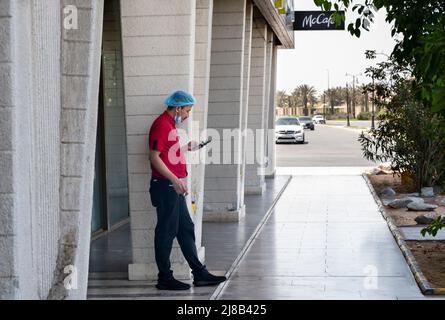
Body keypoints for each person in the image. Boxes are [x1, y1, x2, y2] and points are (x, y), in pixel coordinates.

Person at [148, 90, 227, 290]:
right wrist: (175, 179)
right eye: (187, 111)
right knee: (166, 232)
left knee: (185, 229)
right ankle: (164, 278)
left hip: (173, 187)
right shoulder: (161, 125)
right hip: (166, 187)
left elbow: (166, 153)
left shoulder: (170, 126)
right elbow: (154, 157)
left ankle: (200, 273)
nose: (187, 115)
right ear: (178, 107)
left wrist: (185, 148)